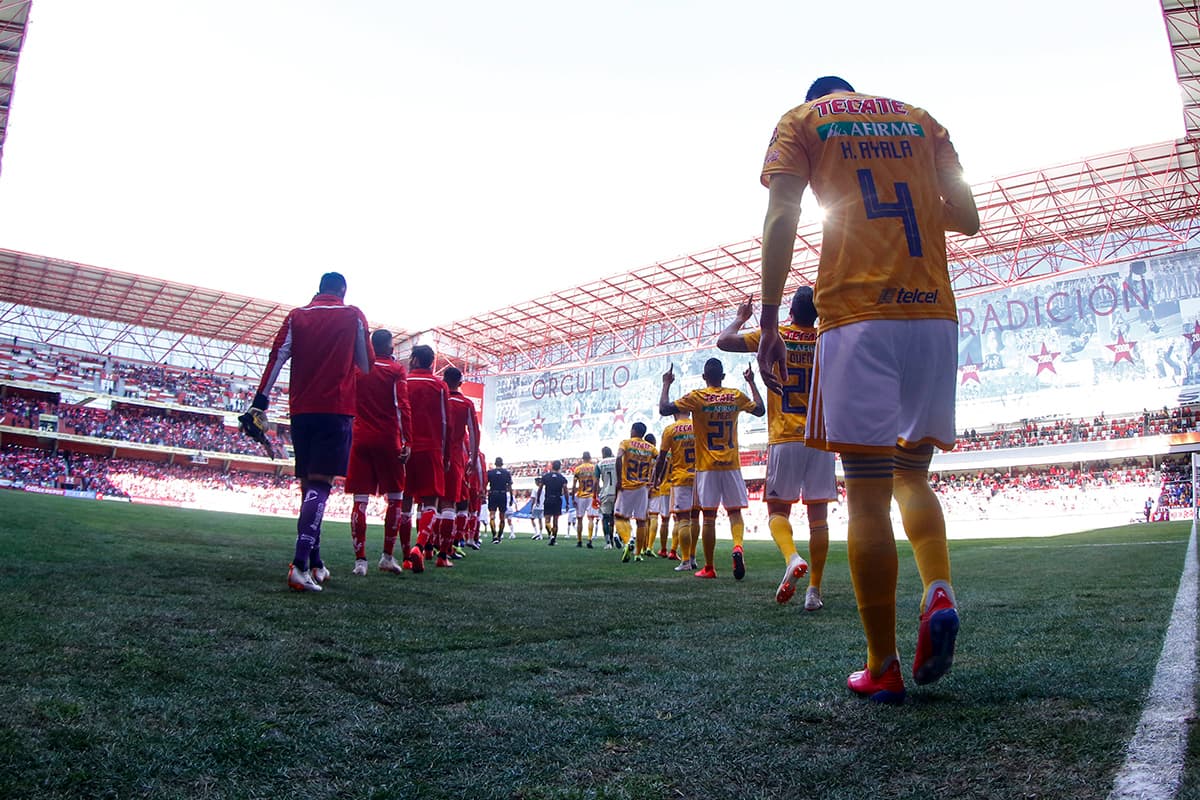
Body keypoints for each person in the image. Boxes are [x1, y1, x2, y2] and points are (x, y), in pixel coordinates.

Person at [757, 75, 980, 703]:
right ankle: (937, 586)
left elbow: (782, 214)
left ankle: (882, 665)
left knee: (865, 497)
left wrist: (771, 318)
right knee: (913, 475)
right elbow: (967, 217)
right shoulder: (921, 119)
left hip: (858, 320)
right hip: (932, 315)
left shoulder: (804, 121)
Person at [242, 271, 372, 592]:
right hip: (336, 409)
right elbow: (366, 364)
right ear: (342, 291)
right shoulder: (353, 314)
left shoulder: (296, 316)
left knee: (308, 486)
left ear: (318, 290)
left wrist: (261, 401)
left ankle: (315, 562)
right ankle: (299, 566)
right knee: (320, 485)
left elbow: (278, 356)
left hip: (301, 410)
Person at [718, 288, 837, 610]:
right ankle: (814, 591)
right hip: (821, 436)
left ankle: (792, 556)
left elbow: (724, 341)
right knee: (819, 518)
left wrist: (741, 318)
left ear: (790, 312)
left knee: (777, 511)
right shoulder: (828, 338)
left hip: (785, 436)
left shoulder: (775, 335)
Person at [659, 358, 764, 579]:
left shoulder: (696, 397)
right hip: (732, 464)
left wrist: (667, 383)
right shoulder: (736, 395)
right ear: (723, 377)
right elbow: (760, 410)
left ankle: (709, 567)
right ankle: (737, 547)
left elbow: (664, 408)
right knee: (734, 512)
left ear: (704, 377)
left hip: (706, 467)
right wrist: (752, 382)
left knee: (708, 517)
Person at [345, 329, 413, 577]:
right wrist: (407, 441)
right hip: (387, 439)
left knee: (360, 500)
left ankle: (360, 561)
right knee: (395, 496)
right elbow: (401, 406)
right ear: (391, 348)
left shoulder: (358, 369)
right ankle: (386, 556)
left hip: (360, 438)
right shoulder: (395, 371)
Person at [402, 345, 450, 570]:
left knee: (404, 499)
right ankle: (419, 546)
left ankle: (403, 557)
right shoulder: (440, 386)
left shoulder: (402, 381)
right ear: (431, 362)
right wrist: (446, 453)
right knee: (431, 500)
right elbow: (444, 423)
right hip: (431, 449)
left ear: (413, 360)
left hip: (405, 448)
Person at [441, 367, 480, 566]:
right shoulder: (465, 403)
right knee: (451, 504)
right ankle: (445, 553)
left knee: (427, 504)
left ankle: (426, 547)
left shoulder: (437, 397)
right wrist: (473, 458)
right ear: (460, 382)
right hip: (454, 457)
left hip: (431, 453)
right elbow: (474, 432)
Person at [653, 408, 698, 571]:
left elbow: (661, 458)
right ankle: (693, 558)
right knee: (695, 518)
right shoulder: (698, 425)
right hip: (699, 476)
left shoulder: (670, 429)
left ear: (674, 414)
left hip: (680, 478)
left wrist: (657, 478)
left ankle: (685, 560)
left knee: (683, 519)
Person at [613, 422, 657, 563]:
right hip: (643, 487)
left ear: (633, 430)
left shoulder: (625, 443)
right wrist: (655, 479)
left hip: (627, 486)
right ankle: (638, 554)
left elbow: (619, 458)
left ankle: (627, 541)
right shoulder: (651, 448)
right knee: (642, 522)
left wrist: (619, 479)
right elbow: (663, 459)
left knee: (619, 517)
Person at [570, 451, 598, 547]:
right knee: (591, 518)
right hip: (590, 495)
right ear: (590, 458)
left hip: (581, 496)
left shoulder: (578, 469)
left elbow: (574, 485)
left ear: (583, 458)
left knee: (579, 519)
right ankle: (589, 539)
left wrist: (573, 497)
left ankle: (579, 541)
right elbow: (595, 483)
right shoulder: (594, 468)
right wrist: (595, 495)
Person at [540, 460, 570, 545]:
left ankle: (551, 535)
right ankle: (553, 537)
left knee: (547, 520)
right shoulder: (562, 478)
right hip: (557, 499)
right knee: (555, 521)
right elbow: (566, 491)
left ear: (552, 466)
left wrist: (538, 498)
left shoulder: (546, 476)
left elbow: (540, 488)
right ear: (560, 467)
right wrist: (567, 502)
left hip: (548, 499)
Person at [594, 446, 619, 548]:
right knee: (616, 517)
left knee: (605, 518)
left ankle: (608, 542)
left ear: (603, 453)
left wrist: (595, 495)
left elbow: (596, 482)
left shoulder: (599, 464)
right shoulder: (617, 461)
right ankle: (616, 535)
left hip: (606, 493)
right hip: (617, 492)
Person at [486, 457, 513, 543]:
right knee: (502, 517)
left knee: (492, 516)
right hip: (502, 494)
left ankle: (494, 536)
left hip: (493, 494)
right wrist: (511, 497)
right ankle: (499, 536)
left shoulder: (490, 473)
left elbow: (485, 484)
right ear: (502, 463)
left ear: (495, 463)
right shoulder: (506, 473)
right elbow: (509, 486)